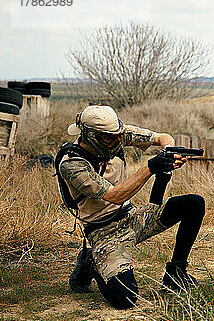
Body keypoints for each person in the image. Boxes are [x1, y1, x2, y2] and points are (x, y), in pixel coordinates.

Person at [57, 105, 205, 309]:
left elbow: (162, 137)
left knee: (194, 204)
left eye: (119, 135)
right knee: (124, 298)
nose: (118, 141)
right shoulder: (72, 164)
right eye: (110, 138)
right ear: (90, 135)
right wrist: (152, 166)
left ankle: (176, 274)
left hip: (132, 217)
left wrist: (169, 153)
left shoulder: (115, 136)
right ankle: (91, 260)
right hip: (103, 232)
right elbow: (115, 196)